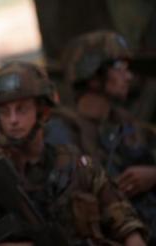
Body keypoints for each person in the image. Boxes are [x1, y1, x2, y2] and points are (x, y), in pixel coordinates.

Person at [0, 61, 146, 245]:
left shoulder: (78, 166)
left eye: (22, 109)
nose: (13, 120)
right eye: (4, 112)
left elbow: (127, 226)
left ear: (42, 111)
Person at [53, 30, 156, 243]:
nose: (128, 76)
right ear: (92, 75)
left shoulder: (129, 125)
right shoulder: (64, 133)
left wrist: (152, 175)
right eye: (119, 67)